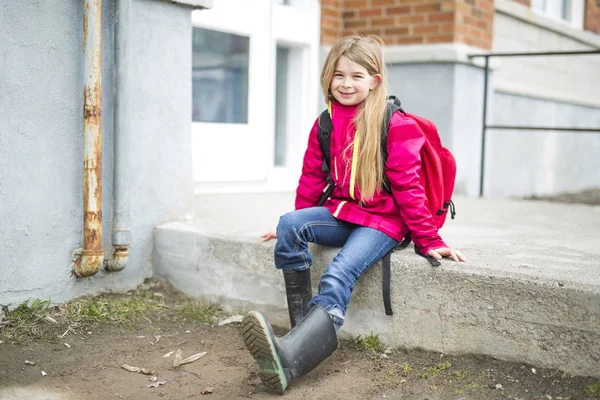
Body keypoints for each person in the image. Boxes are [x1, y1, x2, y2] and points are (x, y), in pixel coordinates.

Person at [241, 35, 467, 395]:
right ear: (328, 76)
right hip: (345, 213)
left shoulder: (396, 124)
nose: (346, 84)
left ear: (374, 80)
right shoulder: (325, 123)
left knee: (338, 272)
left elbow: (410, 190)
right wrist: (300, 217)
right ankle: (300, 338)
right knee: (289, 226)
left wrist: (430, 239)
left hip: (385, 222)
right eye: (339, 75)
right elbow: (312, 178)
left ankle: (292, 358)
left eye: (357, 76)